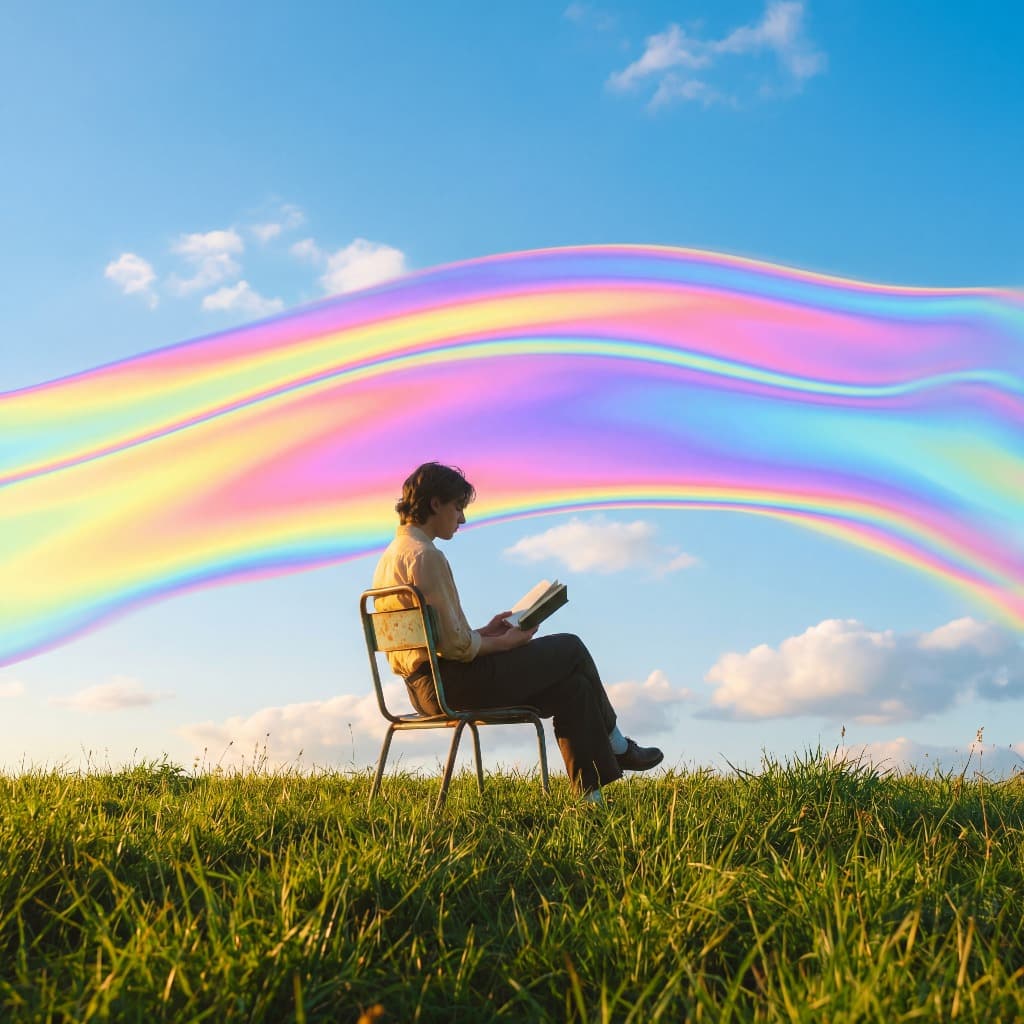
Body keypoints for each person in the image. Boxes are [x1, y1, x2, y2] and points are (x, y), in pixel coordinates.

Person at [371, 462, 664, 800]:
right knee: (571, 646)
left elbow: (437, 639)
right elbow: (457, 647)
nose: (461, 519)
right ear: (435, 503)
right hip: (452, 686)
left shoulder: (391, 558)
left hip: (425, 688)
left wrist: (487, 631)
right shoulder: (427, 557)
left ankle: (590, 801)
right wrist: (507, 642)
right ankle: (617, 744)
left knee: (574, 687)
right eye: (457, 507)